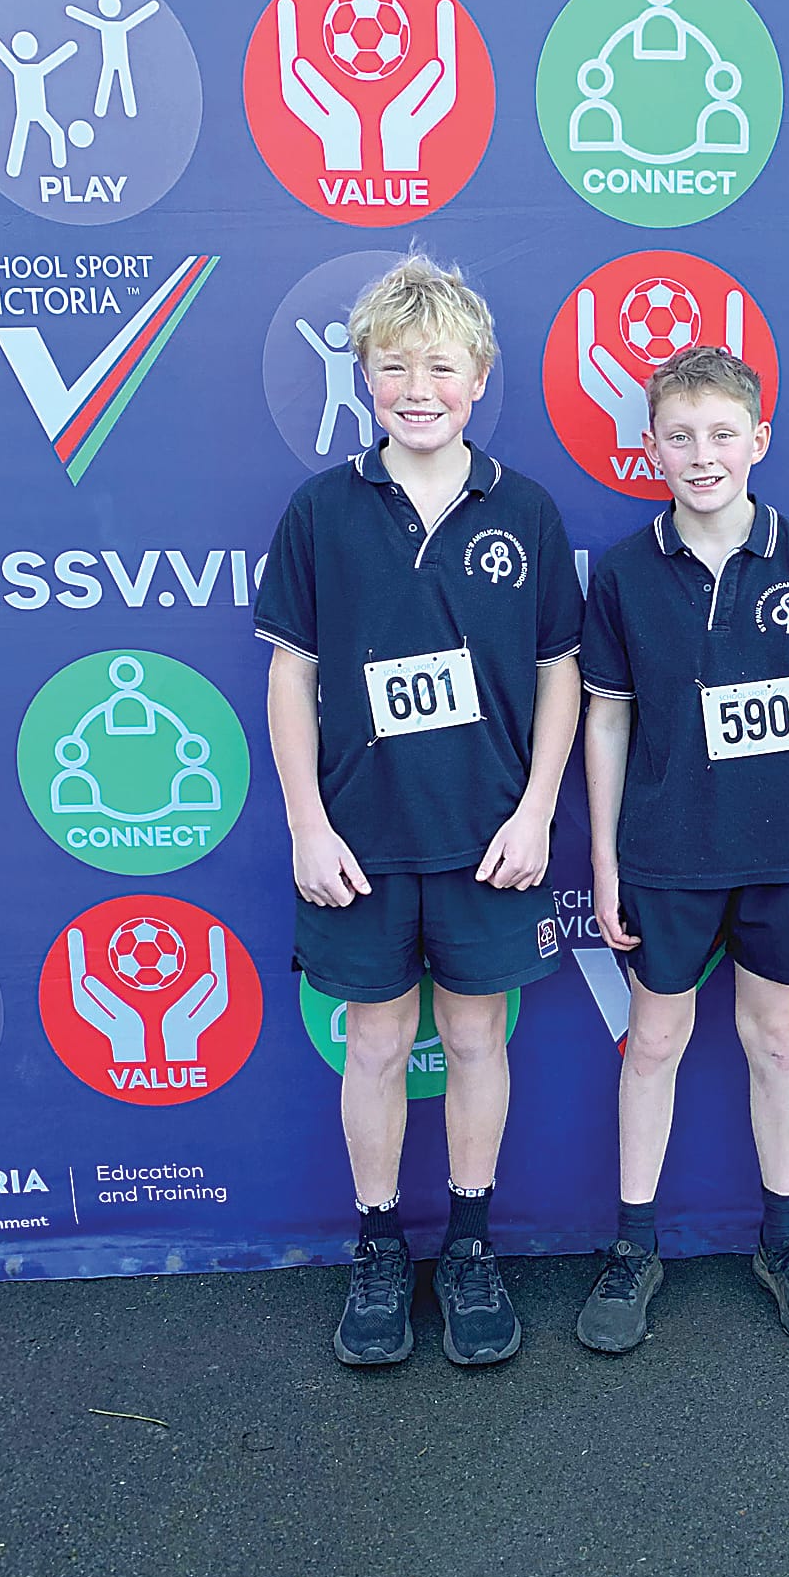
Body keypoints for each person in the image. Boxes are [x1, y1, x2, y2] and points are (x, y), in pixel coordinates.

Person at [255, 255, 583, 1370]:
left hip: (489, 834)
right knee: (380, 1041)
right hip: (359, 840)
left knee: (480, 1036)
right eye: (393, 366)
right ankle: (380, 1247)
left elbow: (557, 674)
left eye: (439, 366)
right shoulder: (321, 510)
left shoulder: (525, 510)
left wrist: (537, 810)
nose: (416, 387)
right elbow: (291, 674)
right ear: (363, 376)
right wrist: (307, 822)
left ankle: (473, 1249)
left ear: (479, 376)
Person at [576, 345, 789, 1354]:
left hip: (783, 850)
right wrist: (607, 859)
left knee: (773, 1039)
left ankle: (782, 1239)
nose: (700, 456)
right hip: (663, 851)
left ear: (758, 440)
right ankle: (632, 1248)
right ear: (648, 446)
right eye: (678, 436)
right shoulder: (621, 573)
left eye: (719, 435)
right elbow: (606, 720)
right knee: (652, 1042)